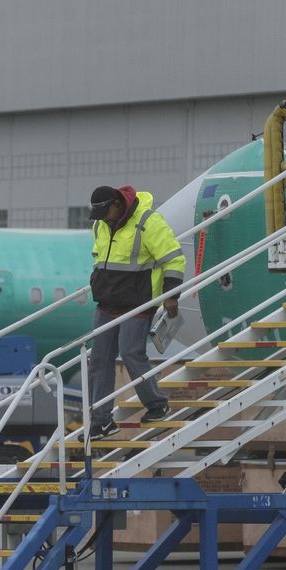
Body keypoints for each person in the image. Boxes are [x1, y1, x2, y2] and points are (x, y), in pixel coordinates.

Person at [85, 184, 184, 438]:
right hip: (107, 302)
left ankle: (157, 403)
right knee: (99, 360)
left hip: (137, 301)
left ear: (117, 205)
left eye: (105, 214)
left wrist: (171, 294)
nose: (102, 220)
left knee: (131, 352)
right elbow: (100, 258)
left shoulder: (148, 222)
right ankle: (101, 421)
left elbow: (173, 258)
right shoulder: (100, 225)